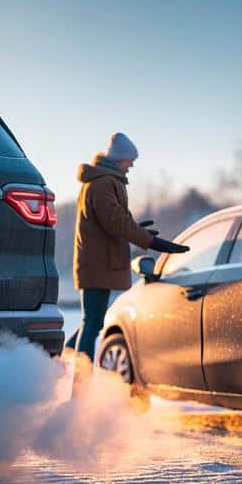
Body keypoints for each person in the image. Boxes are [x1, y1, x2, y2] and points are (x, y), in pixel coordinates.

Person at [65, 133, 188, 380]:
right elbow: (115, 222)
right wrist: (150, 241)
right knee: (91, 324)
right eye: (130, 160)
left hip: (99, 264)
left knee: (92, 322)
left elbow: (114, 220)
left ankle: (60, 363)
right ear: (120, 158)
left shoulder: (107, 181)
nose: (132, 165)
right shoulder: (102, 183)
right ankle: (79, 387)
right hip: (97, 266)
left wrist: (138, 230)